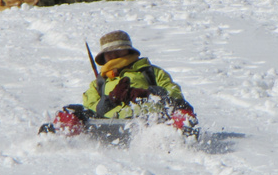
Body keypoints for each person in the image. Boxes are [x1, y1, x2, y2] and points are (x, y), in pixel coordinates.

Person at [47, 30, 197, 135]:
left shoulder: (151, 72)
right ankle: (55, 139)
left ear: (128, 51)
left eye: (118, 51)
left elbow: (174, 92)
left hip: (152, 119)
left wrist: (153, 93)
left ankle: (184, 138)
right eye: (109, 53)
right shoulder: (99, 83)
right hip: (109, 125)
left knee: (182, 107)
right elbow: (90, 107)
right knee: (71, 112)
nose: (113, 55)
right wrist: (110, 100)